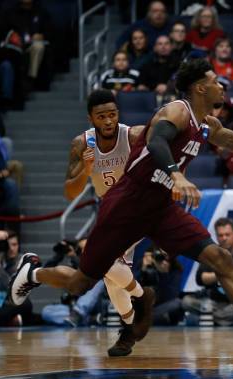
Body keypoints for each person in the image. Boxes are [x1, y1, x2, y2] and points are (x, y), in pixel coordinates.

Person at [9, 58, 233, 365]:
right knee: (81, 283)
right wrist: (177, 175)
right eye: (215, 80)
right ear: (199, 87)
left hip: (160, 208)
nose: (221, 85)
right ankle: (32, 272)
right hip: (127, 204)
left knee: (220, 258)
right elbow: (157, 141)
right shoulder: (176, 111)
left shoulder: (207, 124)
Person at [62, 89, 153, 356]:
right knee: (112, 276)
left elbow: (164, 151)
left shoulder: (133, 135)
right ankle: (130, 326)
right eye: (102, 116)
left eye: (113, 114)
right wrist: (86, 171)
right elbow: (69, 191)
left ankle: (140, 298)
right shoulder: (81, 144)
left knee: (102, 262)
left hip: (139, 208)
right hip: (111, 212)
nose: (109, 121)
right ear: (91, 118)